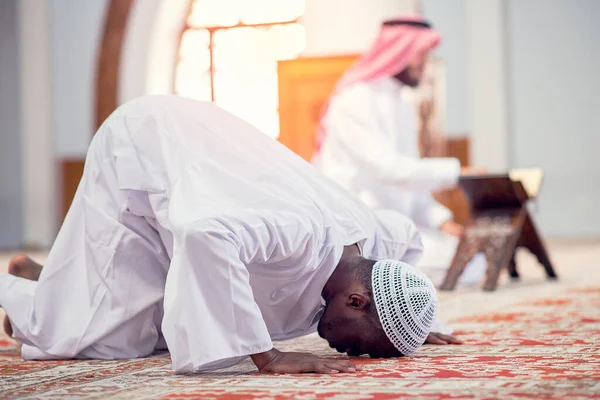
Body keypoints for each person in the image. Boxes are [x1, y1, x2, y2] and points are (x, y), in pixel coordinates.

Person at [0, 95, 460, 375]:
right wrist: (265, 356)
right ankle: (22, 294)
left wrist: (415, 323)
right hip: (147, 141)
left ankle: (47, 276)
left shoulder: (373, 240)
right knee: (113, 336)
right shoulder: (299, 234)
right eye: (362, 344)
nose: (350, 352)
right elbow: (204, 234)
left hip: (199, 153)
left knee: (166, 313)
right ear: (357, 301)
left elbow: (407, 245)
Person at [314, 15, 486, 287]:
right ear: (398, 51)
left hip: (393, 227)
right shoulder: (355, 100)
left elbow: (409, 184)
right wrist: (456, 172)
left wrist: (442, 222)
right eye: (420, 55)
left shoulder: (401, 104)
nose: (425, 64)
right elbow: (389, 169)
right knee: (455, 263)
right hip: (357, 230)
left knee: (472, 257)